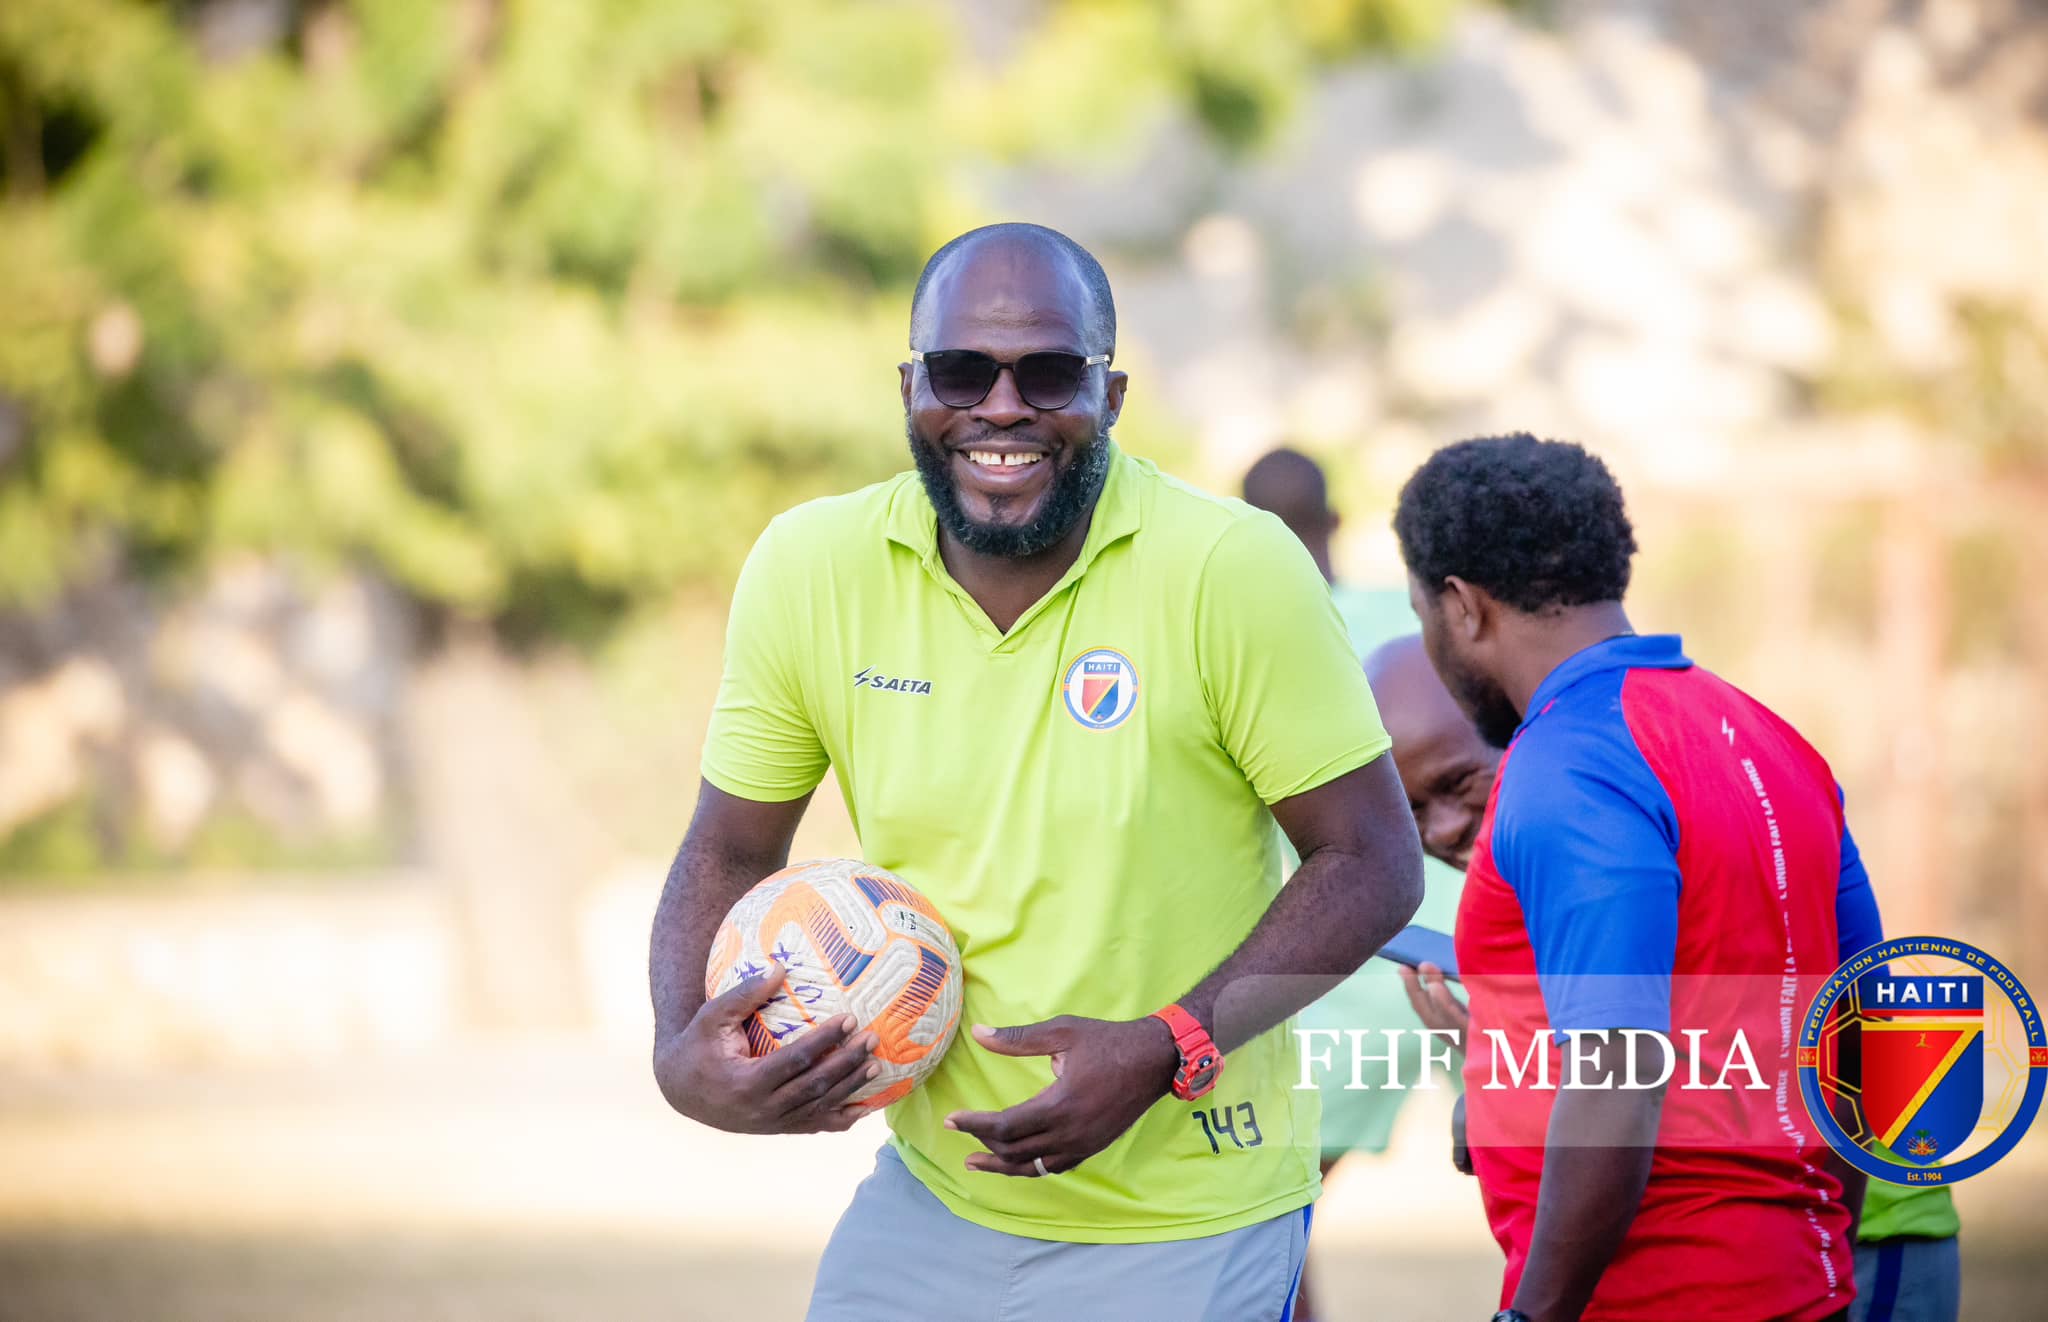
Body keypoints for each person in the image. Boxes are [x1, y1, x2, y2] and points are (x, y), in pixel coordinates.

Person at [648, 222, 1425, 1321]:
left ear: (1108, 395)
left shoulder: (1231, 567)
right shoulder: (808, 567)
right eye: (963, 370)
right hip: (933, 1194)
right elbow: (728, 846)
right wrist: (678, 1047)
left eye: (1047, 373)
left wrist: (1167, 1045)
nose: (1000, 406)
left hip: (1189, 1215)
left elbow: (1372, 860)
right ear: (911, 386)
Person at [1390, 433, 1883, 1322]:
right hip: (1806, 1282)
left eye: (1425, 617)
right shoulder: (1776, 742)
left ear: (1461, 606)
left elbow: (1618, 1073)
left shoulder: (1567, 763)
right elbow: (1858, 1034)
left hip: (1658, 1296)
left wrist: (1529, 1316)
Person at [1379, 622, 1963, 1322]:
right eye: (1410, 811)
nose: (1440, 830)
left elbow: (1736, 1064)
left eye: (1458, 781)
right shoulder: (1577, 860)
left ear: (1525, 732)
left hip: (1857, 1233)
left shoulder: (1618, 815)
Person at [1241, 452, 1469, 1322]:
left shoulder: (1262, 633)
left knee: (1275, 1218)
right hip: (1473, 942)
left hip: (1352, 968)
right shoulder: (1412, 624)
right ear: (1335, 522)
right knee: (1542, 1173)